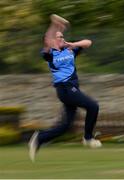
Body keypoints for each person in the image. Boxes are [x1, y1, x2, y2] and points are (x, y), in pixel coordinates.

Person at [29, 14, 102, 162]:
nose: (61, 38)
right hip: (65, 89)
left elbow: (88, 42)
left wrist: (71, 43)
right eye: (58, 37)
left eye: (62, 36)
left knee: (65, 126)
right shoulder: (49, 54)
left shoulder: (70, 50)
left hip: (71, 90)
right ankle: (88, 138)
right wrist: (54, 23)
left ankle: (39, 139)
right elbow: (48, 40)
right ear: (51, 41)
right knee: (93, 106)